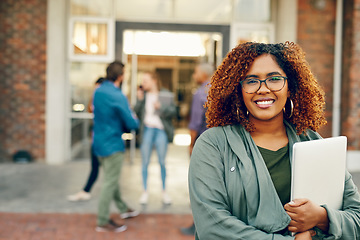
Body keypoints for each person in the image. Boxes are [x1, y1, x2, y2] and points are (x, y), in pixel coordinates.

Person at [188, 42, 360, 239]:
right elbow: (212, 227)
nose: (263, 89)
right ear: (238, 90)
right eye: (251, 81)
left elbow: (356, 218)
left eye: (274, 79)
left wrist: (322, 217)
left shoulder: (314, 143)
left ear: (290, 87)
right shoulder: (213, 145)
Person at [93, 61, 140, 233]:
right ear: (121, 76)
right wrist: (135, 118)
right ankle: (102, 220)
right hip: (112, 143)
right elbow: (131, 123)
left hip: (98, 143)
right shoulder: (117, 95)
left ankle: (122, 208)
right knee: (109, 182)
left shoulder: (98, 91)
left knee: (110, 179)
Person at [180, 63, 214, 236]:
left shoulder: (201, 93)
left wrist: (191, 145)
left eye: (195, 72)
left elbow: (194, 123)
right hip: (219, 144)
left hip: (203, 144)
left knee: (199, 187)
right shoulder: (219, 91)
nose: (194, 76)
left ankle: (198, 226)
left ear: (203, 74)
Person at [134, 71, 177, 205]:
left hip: (160, 131)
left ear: (154, 81)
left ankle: (164, 192)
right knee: (145, 162)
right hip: (147, 129)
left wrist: (161, 108)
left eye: (145, 81)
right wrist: (140, 100)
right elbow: (135, 112)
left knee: (162, 162)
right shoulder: (143, 95)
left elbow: (174, 112)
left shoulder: (165, 94)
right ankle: (145, 192)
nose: (143, 84)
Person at [67, 77, 105, 202]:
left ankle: (86, 191)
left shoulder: (104, 101)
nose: (95, 90)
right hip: (96, 138)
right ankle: (86, 191)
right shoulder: (95, 99)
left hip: (103, 139)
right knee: (96, 167)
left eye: (97, 87)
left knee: (106, 171)